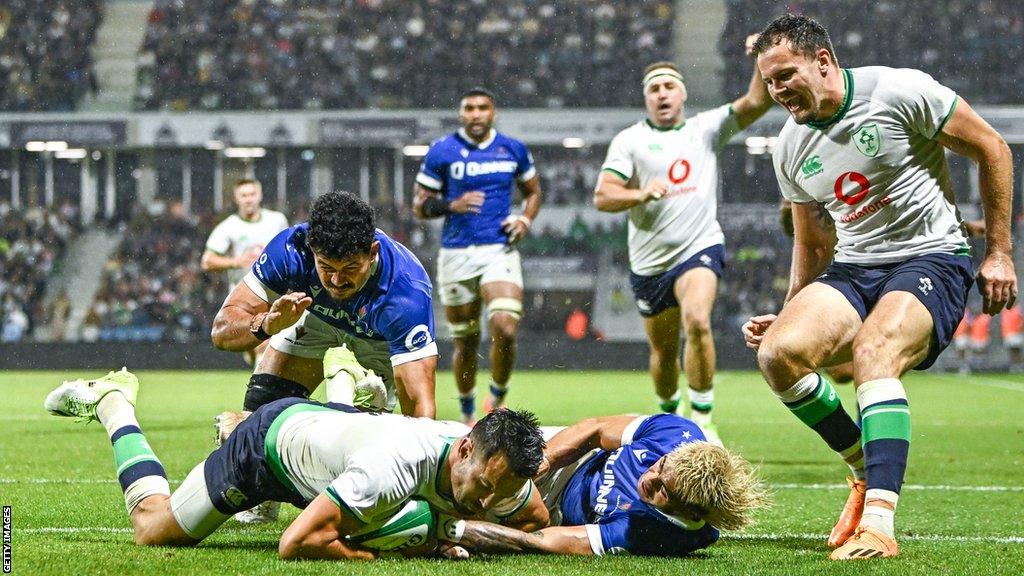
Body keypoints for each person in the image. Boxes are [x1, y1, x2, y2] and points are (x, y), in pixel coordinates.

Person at [743, 14, 1017, 560]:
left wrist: (1001, 252)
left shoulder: (897, 90)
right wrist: (791, 310)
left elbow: (993, 148)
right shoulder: (789, 147)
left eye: (785, 75)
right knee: (778, 354)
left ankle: (879, 524)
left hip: (932, 257)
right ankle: (864, 469)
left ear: (823, 61)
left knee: (874, 351)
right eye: (769, 82)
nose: (777, 91)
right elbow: (812, 245)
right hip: (855, 266)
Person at [43, 369, 547, 559]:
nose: (485, 501)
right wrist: (365, 558)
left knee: (414, 523)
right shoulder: (389, 469)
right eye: (481, 486)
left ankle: (345, 374)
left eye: (495, 494)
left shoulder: (496, 458)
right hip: (270, 449)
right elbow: (295, 543)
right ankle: (115, 403)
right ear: (463, 450)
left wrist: (463, 526)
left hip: (333, 436)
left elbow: (536, 521)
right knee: (153, 527)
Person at [593, 36, 773, 443]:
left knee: (697, 320)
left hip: (699, 246)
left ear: (682, 94)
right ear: (646, 99)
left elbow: (756, 103)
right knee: (663, 353)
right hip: (649, 262)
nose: (662, 95)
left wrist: (760, 58)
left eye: (668, 87)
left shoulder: (704, 129)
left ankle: (704, 419)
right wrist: (639, 193)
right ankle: (670, 416)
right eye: (654, 89)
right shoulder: (629, 141)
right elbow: (603, 195)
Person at [212, 190, 438, 418]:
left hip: (378, 341)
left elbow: (421, 408)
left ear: (372, 253)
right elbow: (221, 331)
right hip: (317, 319)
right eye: (327, 267)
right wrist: (266, 325)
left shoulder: (406, 292)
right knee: (260, 416)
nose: (337, 281)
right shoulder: (291, 251)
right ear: (312, 251)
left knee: (361, 438)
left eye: (350, 268)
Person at [437, 413, 767, 556]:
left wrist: (462, 531)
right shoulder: (676, 435)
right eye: (659, 465)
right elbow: (595, 429)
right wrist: (544, 461)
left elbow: (540, 541)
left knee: (465, 498)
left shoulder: (659, 533)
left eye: (662, 490)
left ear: (688, 511)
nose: (648, 478)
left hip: (552, 508)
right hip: (567, 454)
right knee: (469, 452)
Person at [413, 87, 543, 425]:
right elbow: (419, 206)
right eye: (469, 108)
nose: (475, 114)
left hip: (498, 250)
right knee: (466, 341)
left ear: (493, 112)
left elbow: (533, 192)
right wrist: (450, 204)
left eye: (482, 108)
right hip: (456, 254)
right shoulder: (442, 151)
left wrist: (525, 219)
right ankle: (468, 412)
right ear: (461, 113)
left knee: (505, 326)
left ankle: (498, 397)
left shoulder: (512, 149)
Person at [201, 179, 289, 366]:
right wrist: (237, 261)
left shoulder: (277, 220)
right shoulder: (228, 227)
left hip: (274, 291)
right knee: (253, 348)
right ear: (236, 198)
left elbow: (288, 249)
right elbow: (207, 261)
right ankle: (256, 362)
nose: (248, 199)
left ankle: (263, 390)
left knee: (265, 344)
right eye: (244, 195)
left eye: (252, 194)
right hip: (243, 297)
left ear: (260, 195)